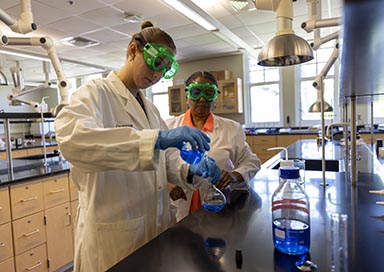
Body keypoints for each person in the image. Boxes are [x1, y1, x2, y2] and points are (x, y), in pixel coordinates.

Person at [54, 22, 221, 272]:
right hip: (113, 237)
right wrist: (156, 140)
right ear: (133, 51)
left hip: (154, 231)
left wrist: (192, 170)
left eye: (164, 70)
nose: (156, 75)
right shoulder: (94, 94)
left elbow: (167, 162)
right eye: (155, 63)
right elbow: (73, 141)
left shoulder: (151, 110)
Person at [166, 71, 261, 222]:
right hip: (178, 205)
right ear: (187, 96)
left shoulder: (231, 129)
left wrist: (234, 176)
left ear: (216, 97)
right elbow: (155, 166)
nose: (202, 99)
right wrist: (167, 184)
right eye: (196, 92)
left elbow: (252, 162)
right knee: (180, 243)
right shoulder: (168, 128)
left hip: (217, 205)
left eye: (209, 93)